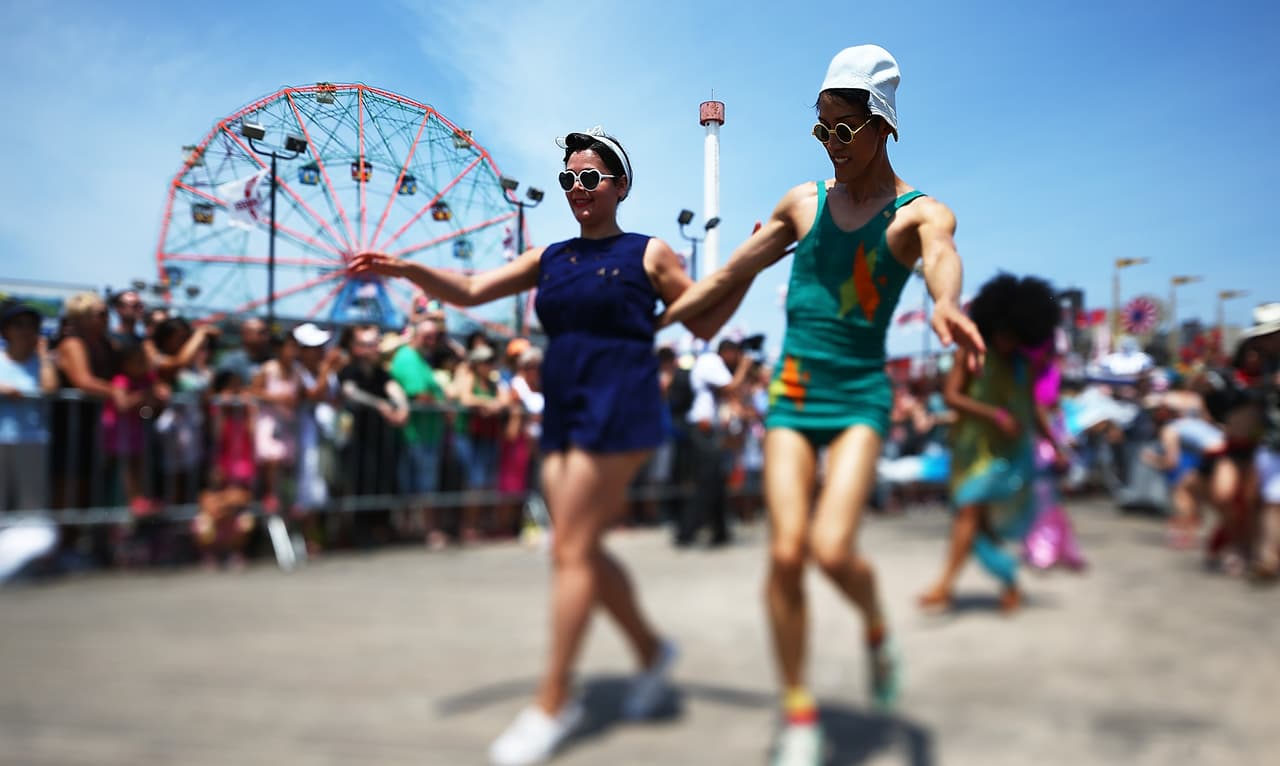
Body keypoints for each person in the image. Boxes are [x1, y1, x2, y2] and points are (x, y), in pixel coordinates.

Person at [351, 124, 741, 766]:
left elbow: (702, 319)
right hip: (564, 405)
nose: (576, 189)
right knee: (575, 547)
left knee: (572, 550)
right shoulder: (551, 257)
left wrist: (741, 269)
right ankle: (650, 650)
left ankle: (554, 700)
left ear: (618, 186)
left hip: (620, 404)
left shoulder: (650, 253)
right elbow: (473, 290)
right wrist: (407, 268)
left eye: (589, 178)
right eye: (568, 179)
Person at [658, 45, 985, 763]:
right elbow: (733, 273)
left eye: (844, 129)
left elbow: (941, 253)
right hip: (794, 393)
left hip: (862, 394)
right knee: (784, 553)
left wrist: (947, 304)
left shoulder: (915, 213)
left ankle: (873, 625)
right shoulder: (802, 203)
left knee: (832, 549)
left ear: (883, 128)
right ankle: (799, 711)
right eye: (821, 129)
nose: (831, 144)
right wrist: (655, 320)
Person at [918, 274, 1063, 612]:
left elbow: (1034, 407)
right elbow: (951, 396)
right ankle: (1009, 580)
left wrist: (1054, 445)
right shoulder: (970, 354)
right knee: (976, 523)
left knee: (968, 513)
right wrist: (994, 415)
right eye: (1003, 335)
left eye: (1015, 337)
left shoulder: (1023, 364)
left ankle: (944, 586)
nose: (1008, 343)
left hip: (1008, 456)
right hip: (971, 451)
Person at [0, 301, 57, 512]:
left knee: (30, 504)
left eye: (31, 325)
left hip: (32, 440)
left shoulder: (41, 363)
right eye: (19, 324)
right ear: (6, 330)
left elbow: (50, 388)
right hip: (2, 440)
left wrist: (43, 356)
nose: (26, 330)